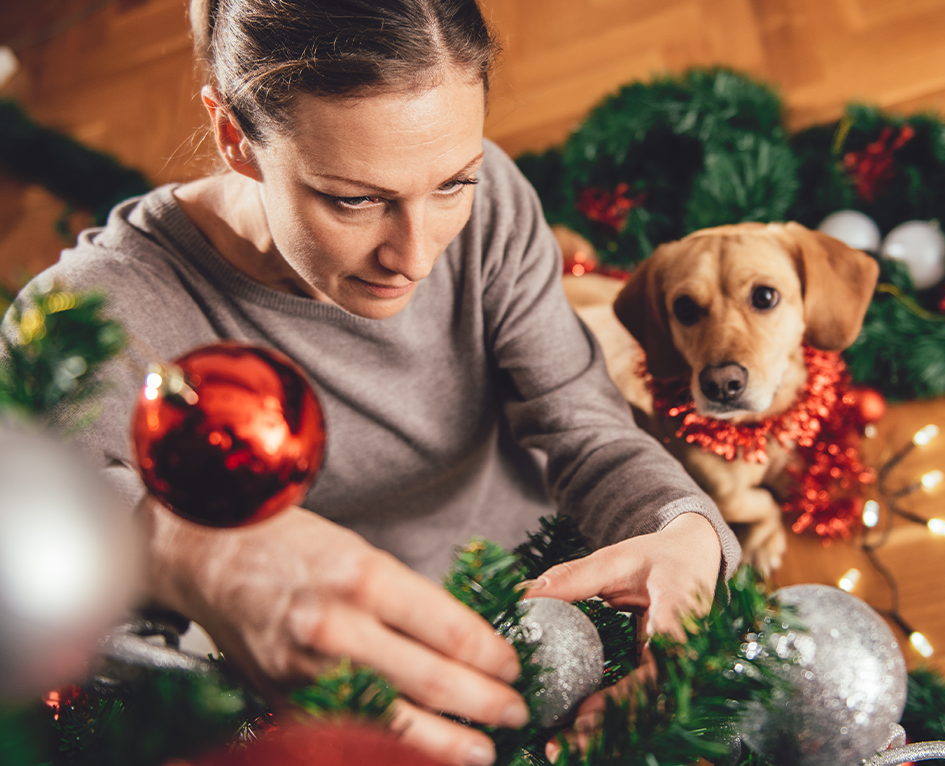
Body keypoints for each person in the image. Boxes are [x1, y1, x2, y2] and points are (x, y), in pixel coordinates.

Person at [1, 1, 740, 764]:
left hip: (553, 583)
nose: (416, 258)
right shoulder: (97, 314)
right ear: (235, 138)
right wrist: (185, 549)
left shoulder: (493, 209)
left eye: (453, 183)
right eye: (355, 199)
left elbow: (586, 426)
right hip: (340, 688)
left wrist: (684, 534)